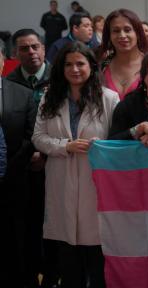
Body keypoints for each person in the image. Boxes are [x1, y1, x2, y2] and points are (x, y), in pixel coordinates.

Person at [32, 41, 118, 288]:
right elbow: (38, 137)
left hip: (96, 185)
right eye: (68, 64)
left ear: (91, 66)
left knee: (97, 260)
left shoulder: (109, 98)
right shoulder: (50, 97)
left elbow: (118, 140)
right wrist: (65, 146)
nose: (75, 69)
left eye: (80, 63)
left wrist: (101, 147)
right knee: (69, 263)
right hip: (61, 182)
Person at [7, 28, 59, 288]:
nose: (31, 52)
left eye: (35, 46)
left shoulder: (59, 77)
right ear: (15, 54)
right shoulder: (10, 81)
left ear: (42, 47)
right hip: (20, 169)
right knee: (27, 224)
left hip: (56, 162)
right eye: (24, 49)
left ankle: (52, 272)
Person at [0, 39, 37, 288]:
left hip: (14, 180)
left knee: (16, 241)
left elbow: (31, 135)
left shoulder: (21, 93)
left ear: (3, 61)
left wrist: (10, 170)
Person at [99, 9, 148, 100]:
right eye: (116, 31)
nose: (122, 35)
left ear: (137, 33)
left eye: (127, 30)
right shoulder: (101, 68)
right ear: (109, 35)